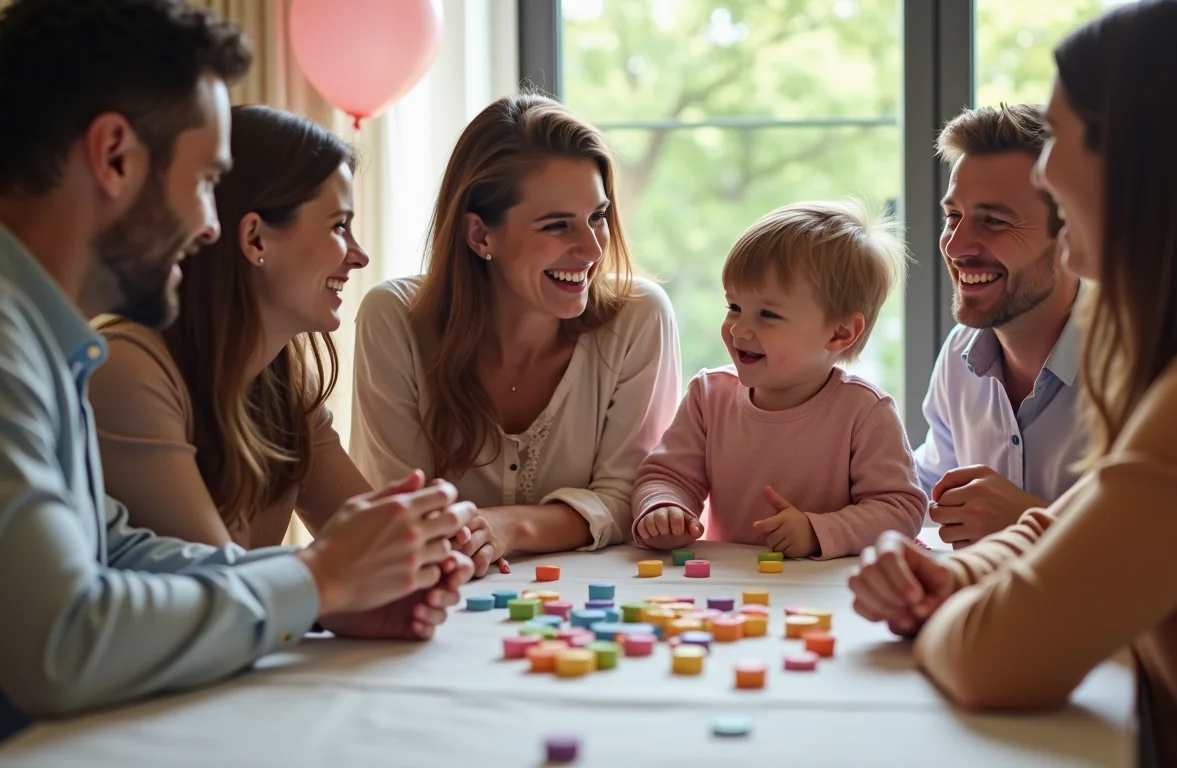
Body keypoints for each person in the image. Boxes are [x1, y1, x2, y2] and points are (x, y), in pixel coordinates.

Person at [0, 0, 472, 737]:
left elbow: (116, 551)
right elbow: (63, 640)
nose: (211, 225)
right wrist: (317, 579)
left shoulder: (45, 342)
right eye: (201, 182)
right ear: (114, 156)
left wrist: (325, 591)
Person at [847, 1, 1177, 765]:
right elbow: (1065, 526)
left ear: (1141, 158)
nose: (1047, 173)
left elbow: (993, 662)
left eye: (1062, 136)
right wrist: (947, 582)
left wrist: (941, 617)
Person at [351, 92, 682, 577]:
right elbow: (400, 510)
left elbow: (628, 500)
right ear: (481, 235)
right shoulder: (394, 320)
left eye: (598, 216)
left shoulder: (639, 319)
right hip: (443, 602)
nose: (592, 248)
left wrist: (509, 527)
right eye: (556, 226)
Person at [90, 105, 374, 548]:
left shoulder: (285, 384)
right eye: (340, 226)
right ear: (256, 239)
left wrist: (440, 536)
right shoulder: (128, 369)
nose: (359, 255)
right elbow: (216, 586)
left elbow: (373, 542)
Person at [632, 201, 927, 558]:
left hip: (822, 597)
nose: (739, 328)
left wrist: (818, 532)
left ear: (840, 333)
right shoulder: (708, 396)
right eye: (734, 307)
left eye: (768, 314)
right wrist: (664, 509)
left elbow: (900, 510)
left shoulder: (865, 413)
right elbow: (667, 476)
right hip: (727, 590)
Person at [914, 104, 1088, 548]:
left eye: (993, 221)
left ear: (1069, 234)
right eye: (953, 216)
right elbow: (921, 490)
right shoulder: (959, 354)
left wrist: (1027, 522)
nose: (956, 247)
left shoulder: (1138, 364)